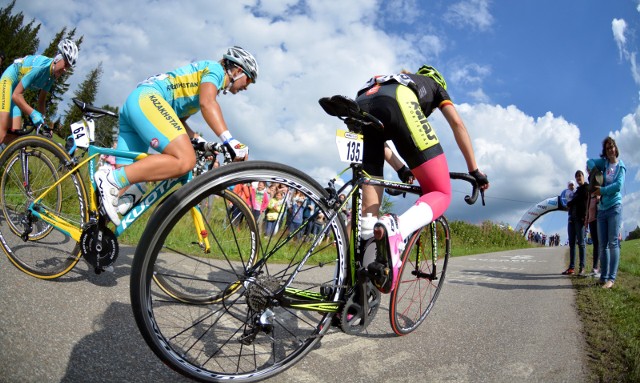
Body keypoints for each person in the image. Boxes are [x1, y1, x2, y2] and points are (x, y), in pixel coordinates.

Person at [354, 65, 489, 293]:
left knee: (368, 219)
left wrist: (401, 169)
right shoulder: (435, 86)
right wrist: (474, 170)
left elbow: (383, 144)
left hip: (363, 99)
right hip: (398, 100)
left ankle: (359, 291)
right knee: (441, 192)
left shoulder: (399, 78)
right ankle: (397, 228)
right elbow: (457, 124)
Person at [94, 46, 257, 225]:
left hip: (138, 104)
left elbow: (177, 122)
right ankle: (110, 178)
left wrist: (203, 142)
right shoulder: (216, 70)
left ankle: (94, 235)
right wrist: (230, 140)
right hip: (148, 100)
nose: (247, 87)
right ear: (238, 71)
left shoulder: (201, 85)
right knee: (185, 160)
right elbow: (207, 103)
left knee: (125, 190)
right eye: (248, 81)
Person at [0, 39, 78, 144]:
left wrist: (44, 125)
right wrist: (32, 113)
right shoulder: (41, 66)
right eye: (65, 64)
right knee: (3, 129)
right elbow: (16, 95)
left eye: (68, 67)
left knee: (14, 138)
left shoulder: (52, 77)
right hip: (9, 80)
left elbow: (41, 101)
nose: (65, 70)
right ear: (58, 58)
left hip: (15, 90)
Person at [587, 137, 625, 289]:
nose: (610, 149)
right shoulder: (605, 163)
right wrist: (595, 171)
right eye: (607, 148)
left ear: (616, 148)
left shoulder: (620, 166)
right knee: (602, 245)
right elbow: (589, 161)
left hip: (614, 206)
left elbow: (618, 186)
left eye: (612, 146)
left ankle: (611, 278)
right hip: (602, 209)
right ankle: (603, 277)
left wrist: (601, 190)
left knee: (613, 242)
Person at [563, 171, 588, 275]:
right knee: (572, 243)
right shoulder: (576, 190)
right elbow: (572, 201)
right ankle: (571, 268)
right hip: (571, 218)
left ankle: (582, 268)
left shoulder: (586, 187)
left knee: (581, 243)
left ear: (583, 177)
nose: (578, 178)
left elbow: (579, 199)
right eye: (576, 176)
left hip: (580, 218)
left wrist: (570, 203)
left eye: (580, 176)